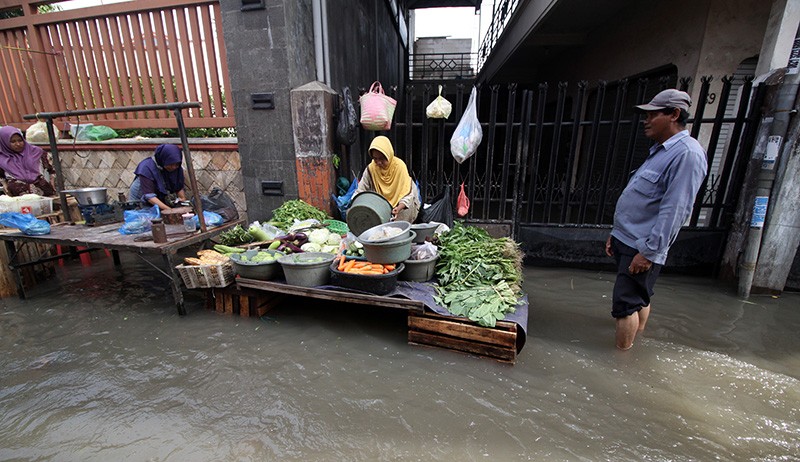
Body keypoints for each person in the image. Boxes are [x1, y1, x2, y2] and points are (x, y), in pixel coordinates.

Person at [604, 89, 708, 351]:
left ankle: (622, 359)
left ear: (674, 114)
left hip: (642, 244)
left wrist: (649, 252)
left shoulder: (687, 154)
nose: (646, 120)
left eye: (652, 115)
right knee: (639, 296)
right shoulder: (662, 151)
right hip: (628, 238)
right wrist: (615, 235)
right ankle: (638, 338)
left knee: (625, 304)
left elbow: (676, 210)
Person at [353, 136, 420, 223]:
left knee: (399, 228)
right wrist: (353, 205)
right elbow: (361, 190)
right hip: (382, 206)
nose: (378, 162)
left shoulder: (399, 167)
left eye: (382, 158)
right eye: (375, 159)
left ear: (388, 155)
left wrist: (398, 208)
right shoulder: (371, 169)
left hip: (402, 206)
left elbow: (408, 194)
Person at [0, 126, 57, 197]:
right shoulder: (2, 159)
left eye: (20, 140)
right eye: (13, 142)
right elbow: (1, 176)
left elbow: (53, 169)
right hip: (17, 198)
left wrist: (52, 183)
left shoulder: (36, 152)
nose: (18, 144)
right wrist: (5, 185)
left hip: (44, 194)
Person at [129, 144, 188, 211]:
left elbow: (179, 187)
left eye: (176, 164)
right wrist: (171, 211)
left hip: (159, 200)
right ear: (163, 160)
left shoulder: (177, 168)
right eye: (170, 164)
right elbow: (149, 197)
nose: (174, 167)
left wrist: (182, 201)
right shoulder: (146, 168)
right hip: (141, 202)